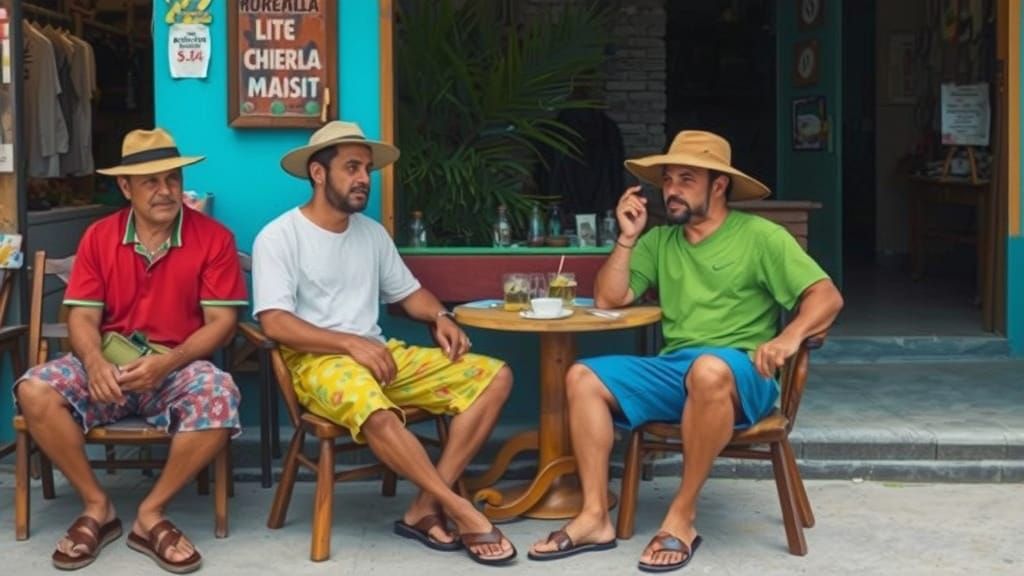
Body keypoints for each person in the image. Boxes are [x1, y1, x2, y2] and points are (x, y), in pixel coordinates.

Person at [529, 130, 844, 572]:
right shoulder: (659, 242)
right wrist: (626, 236)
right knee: (582, 377)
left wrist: (788, 338)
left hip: (741, 374)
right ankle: (595, 516)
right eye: (667, 180)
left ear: (719, 185)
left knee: (709, 369)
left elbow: (826, 296)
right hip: (677, 370)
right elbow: (609, 299)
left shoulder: (761, 237)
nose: (671, 190)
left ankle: (682, 515)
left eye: (686, 179)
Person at [252, 121, 517, 565]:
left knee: (496, 376)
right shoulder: (279, 237)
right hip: (317, 362)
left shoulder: (371, 233)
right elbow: (275, 323)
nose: (363, 179)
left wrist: (441, 315)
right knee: (373, 408)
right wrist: (349, 344)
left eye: (368, 170)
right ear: (319, 174)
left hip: (379, 354)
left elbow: (410, 293)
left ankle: (424, 507)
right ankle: (458, 507)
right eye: (352, 168)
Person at [14, 128, 248, 573]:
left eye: (173, 179)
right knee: (35, 389)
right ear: (126, 187)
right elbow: (82, 317)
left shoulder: (213, 238)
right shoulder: (99, 237)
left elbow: (222, 323)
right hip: (107, 368)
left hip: (175, 368)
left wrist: (168, 363)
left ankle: (151, 513)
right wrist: (95, 361)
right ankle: (97, 506)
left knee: (220, 392)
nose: (166, 191)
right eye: (151, 182)